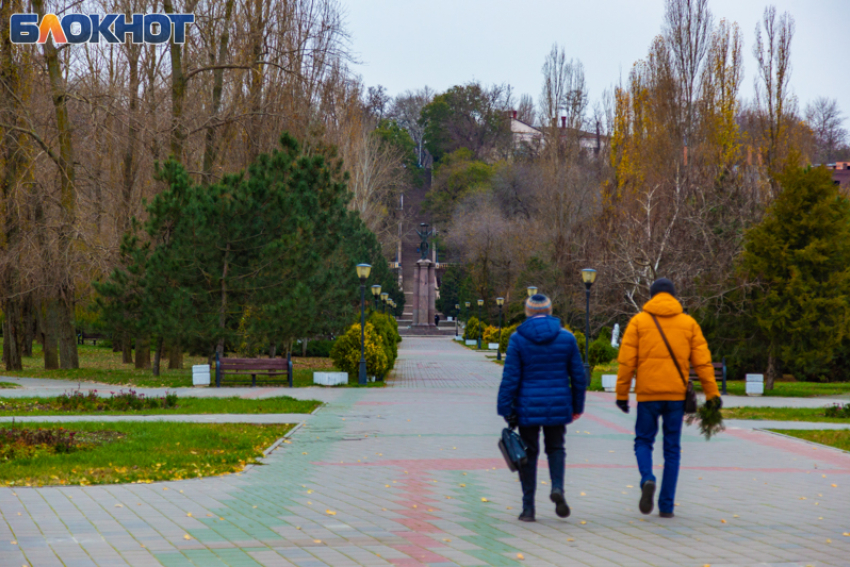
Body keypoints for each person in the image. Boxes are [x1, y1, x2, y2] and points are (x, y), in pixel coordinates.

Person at [615, 278, 722, 518]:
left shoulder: (638, 322)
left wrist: (622, 394)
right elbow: (702, 363)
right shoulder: (688, 323)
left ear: (652, 296)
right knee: (672, 449)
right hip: (675, 397)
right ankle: (666, 506)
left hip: (647, 396)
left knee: (643, 441)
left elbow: (626, 362)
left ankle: (647, 478)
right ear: (674, 297)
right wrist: (712, 394)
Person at [497, 294, 587, 522]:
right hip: (558, 405)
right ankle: (557, 488)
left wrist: (505, 408)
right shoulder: (567, 338)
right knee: (556, 448)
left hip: (528, 407)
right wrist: (577, 406)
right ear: (549, 311)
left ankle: (528, 509)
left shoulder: (518, 339)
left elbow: (510, 378)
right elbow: (578, 376)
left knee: (528, 454)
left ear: (527, 312)